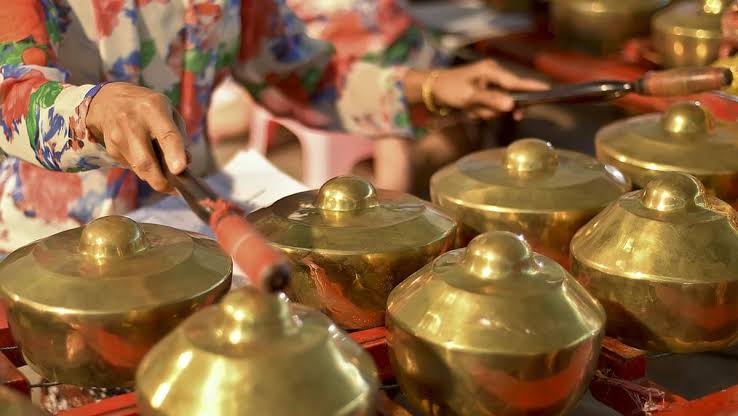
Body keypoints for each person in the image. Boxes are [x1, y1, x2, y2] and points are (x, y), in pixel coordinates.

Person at [0, 1, 545, 412]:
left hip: (193, 237)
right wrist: (95, 108)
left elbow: (296, 72)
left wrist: (429, 88)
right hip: (53, 269)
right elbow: (12, 95)